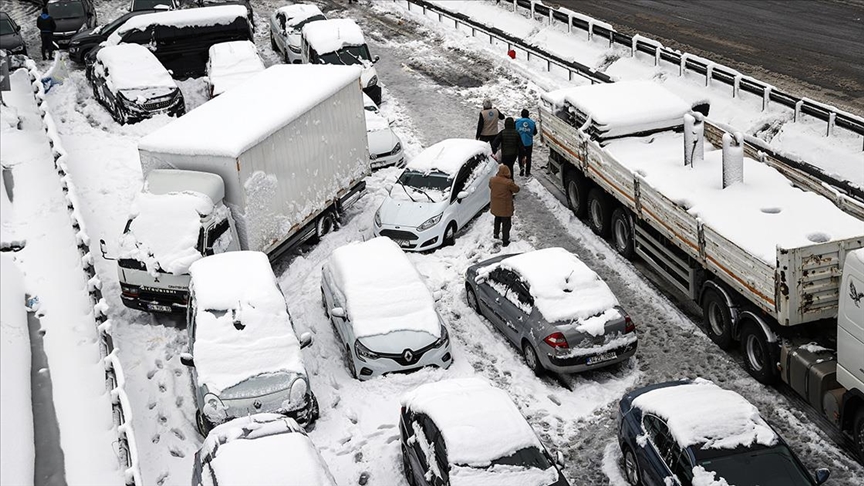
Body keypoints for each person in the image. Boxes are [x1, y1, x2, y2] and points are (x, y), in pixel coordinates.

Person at [489, 164, 519, 247]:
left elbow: (490, 186)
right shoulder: (508, 183)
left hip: (496, 206)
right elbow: (517, 189)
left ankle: (496, 234)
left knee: (497, 219)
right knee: (506, 224)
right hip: (505, 207)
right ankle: (505, 241)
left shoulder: (492, 180)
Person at [515, 109, 537, 177]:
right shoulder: (532, 123)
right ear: (528, 115)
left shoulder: (517, 122)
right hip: (528, 143)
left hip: (520, 143)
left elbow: (514, 130)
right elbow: (535, 132)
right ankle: (527, 172)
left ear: (521, 115)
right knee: (528, 157)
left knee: (520, 156)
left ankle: (521, 168)